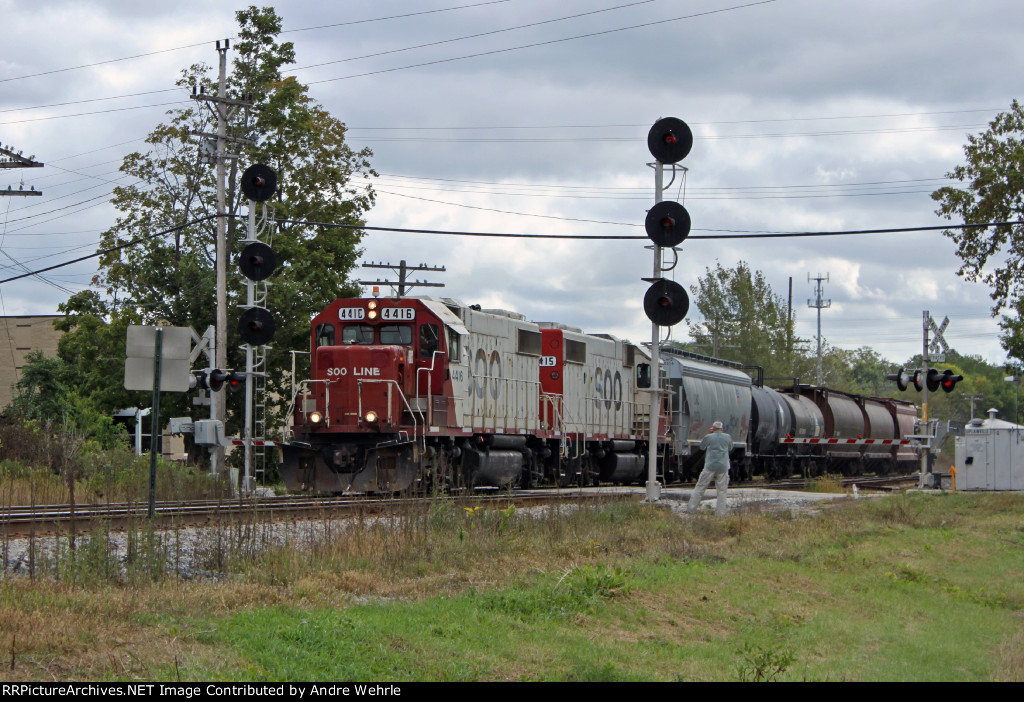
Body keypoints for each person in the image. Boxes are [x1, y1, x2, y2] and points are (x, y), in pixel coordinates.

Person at [687, 420, 732, 516]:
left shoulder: (708, 437)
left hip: (710, 466)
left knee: (700, 487)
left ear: (713, 428)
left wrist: (710, 434)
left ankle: (691, 509)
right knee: (722, 491)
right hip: (723, 467)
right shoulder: (727, 437)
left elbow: (702, 447)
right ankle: (720, 514)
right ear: (722, 429)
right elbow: (730, 447)